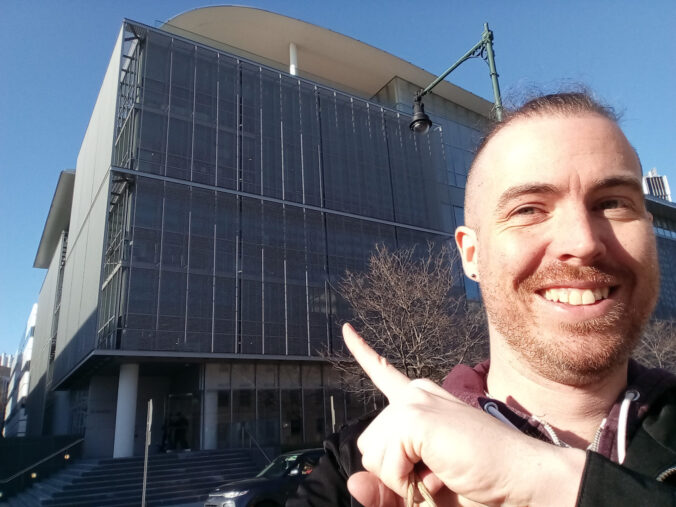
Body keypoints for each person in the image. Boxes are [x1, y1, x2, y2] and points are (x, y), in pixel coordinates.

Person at [288, 91, 676, 506]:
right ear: (471, 255)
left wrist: (544, 481)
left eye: (613, 203)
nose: (582, 242)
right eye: (528, 209)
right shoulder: (358, 469)